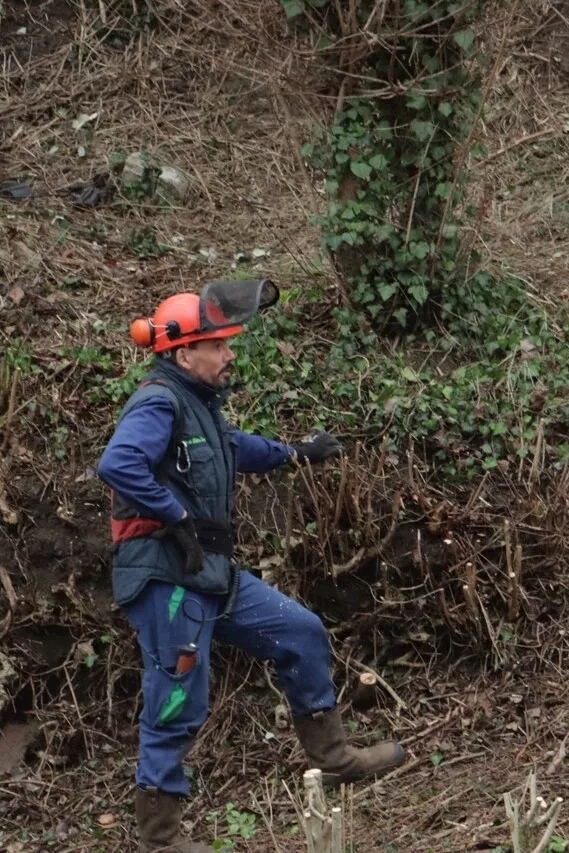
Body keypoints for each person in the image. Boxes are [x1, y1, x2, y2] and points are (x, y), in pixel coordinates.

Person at [97, 280, 405, 852]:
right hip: (167, 575)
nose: (230, 353)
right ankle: (159, 838)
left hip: (208, 572)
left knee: (300, 631)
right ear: (184, 352)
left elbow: (234, 446)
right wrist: (174, 515)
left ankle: (333, 758)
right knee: (176, 698)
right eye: (218, 344)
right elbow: (119, 463)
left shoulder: (199, 408)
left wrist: (295, 453)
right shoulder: (159, 401)